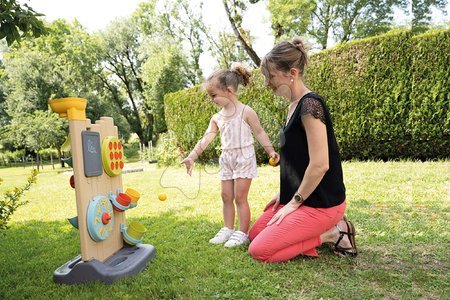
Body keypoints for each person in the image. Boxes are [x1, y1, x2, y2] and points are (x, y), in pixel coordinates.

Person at [248, 38, 358, 262]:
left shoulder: (310, 105)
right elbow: (298, 158)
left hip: (321, 203)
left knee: (260, 251)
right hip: (302, 196)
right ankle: (324, 228)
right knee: (254, 235)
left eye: (271, 76)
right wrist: (284, 194)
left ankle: (332, 232)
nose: (267, 83)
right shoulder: (292, 106)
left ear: (292, 73)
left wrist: (293, 203)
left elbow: (320, 164)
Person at [181, 64, 280, 248]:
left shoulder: (246, 111)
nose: (212, 100)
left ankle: (242, 232)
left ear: (228, 91)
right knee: (226, 196)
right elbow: (206, 138)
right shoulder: (217, 118)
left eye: (213, 95)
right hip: (226, 158)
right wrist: (192, 156)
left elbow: (260, 132)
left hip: (244, 156)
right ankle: (228, 228)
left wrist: (270, 151)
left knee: (240, 197)